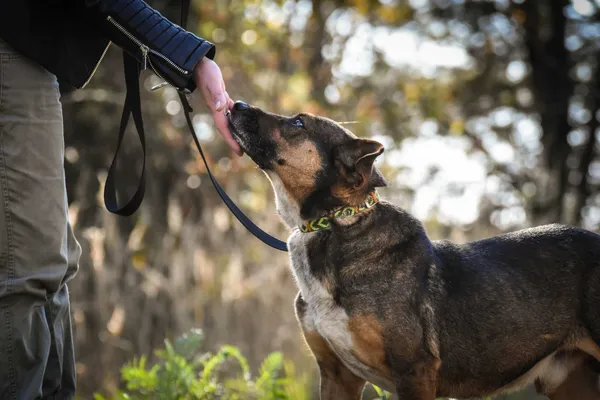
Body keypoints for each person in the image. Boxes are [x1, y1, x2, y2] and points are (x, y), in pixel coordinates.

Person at [0, 0, 240, 398]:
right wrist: (193, 60)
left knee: (54, 267)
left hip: (27, 57)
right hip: (10, 52)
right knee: (29, 270)